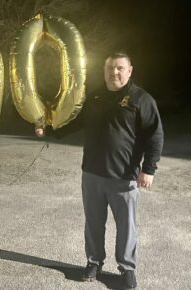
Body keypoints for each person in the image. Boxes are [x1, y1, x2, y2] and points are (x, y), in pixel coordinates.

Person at [36, 52, 164, 289]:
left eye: (119, 68)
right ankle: (94, 262)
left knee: (127, 226)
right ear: (104, 71)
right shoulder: (94, 96)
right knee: (94, 223)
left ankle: (127, 269)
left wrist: (149, 169)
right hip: (92, 173)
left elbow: (155, 135)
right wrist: (50, 130)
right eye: (109, 69)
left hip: (123, 177)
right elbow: (76, 122)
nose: (114, 73)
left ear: (129, 70)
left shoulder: (141, 99)